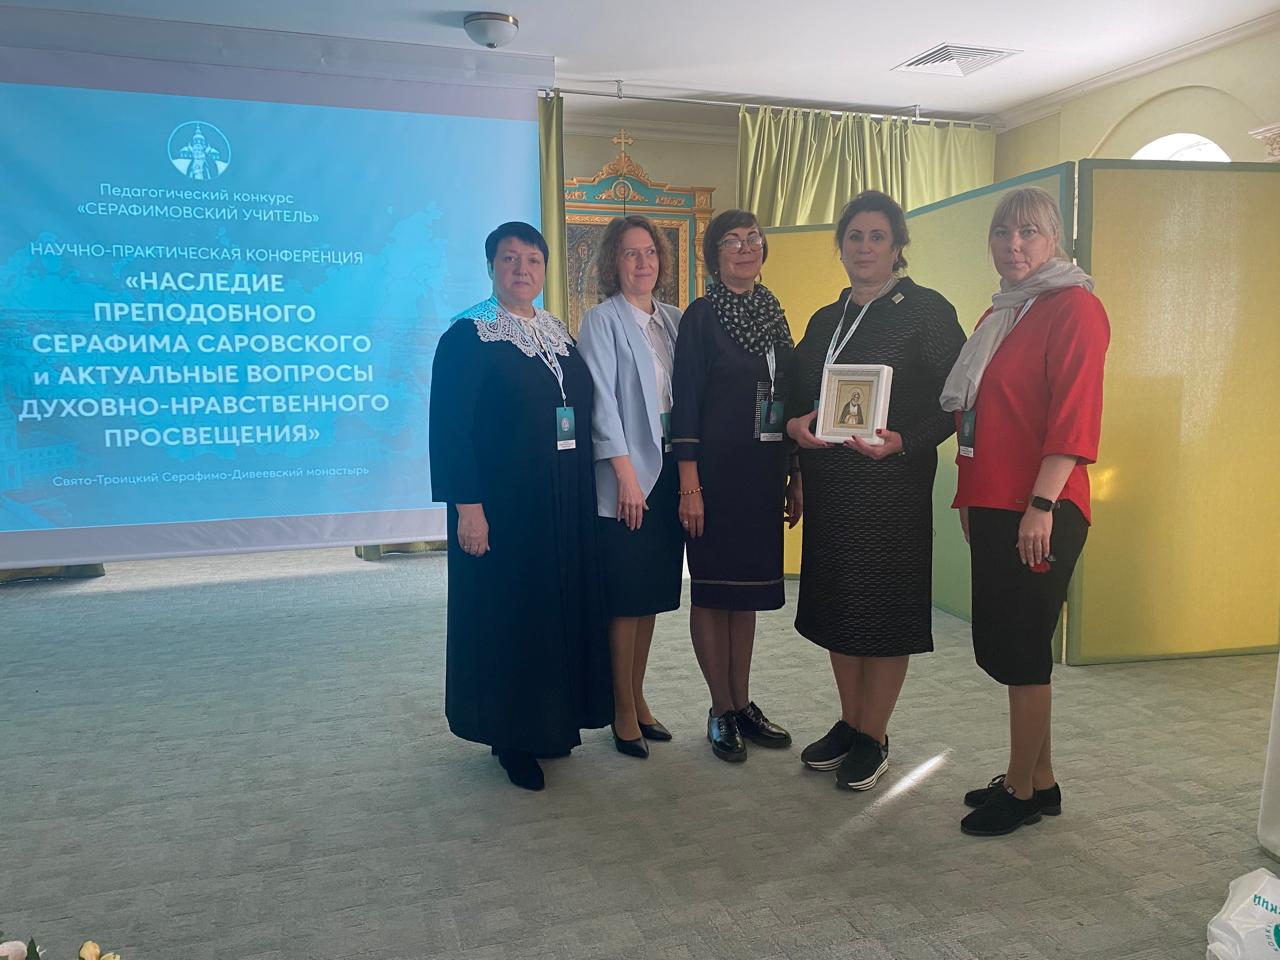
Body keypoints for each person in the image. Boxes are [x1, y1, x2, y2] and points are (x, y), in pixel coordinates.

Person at [940, 186, 1109, 835]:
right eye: (1003, 233)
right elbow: (977, 415)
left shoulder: (1075, 307)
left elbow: (1074, 415)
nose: (1014, 245)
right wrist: (969, 495)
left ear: (1054, 238)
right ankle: (1041, 780)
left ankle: (1019, 789)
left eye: (1029, 232)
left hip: (1041, 506)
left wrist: (1041, 504)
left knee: (1022, 648)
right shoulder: (1002, 312)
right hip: (993, 501)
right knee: (1012, 644)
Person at [785, 190, 966, 791]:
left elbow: (956, 400)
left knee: (884, 609)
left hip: (892, 490)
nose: (864, 248)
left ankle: (875, 734)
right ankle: (849, 721)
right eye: (855, 237)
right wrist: (795, 429)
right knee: (840, 606)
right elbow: (797, 395)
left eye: (877, 237)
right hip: (833, 490)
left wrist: (905, 442)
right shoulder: (825, 319)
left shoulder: (926, 311)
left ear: (897, 246)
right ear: (840, 247)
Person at [428, 221, 612, 792]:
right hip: (504, 508)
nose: (522, 269)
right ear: (491, 267)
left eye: (532, 259)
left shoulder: (556, 331)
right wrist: (468, 507)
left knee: (552, 612)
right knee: (510, 616)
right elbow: (450, 430)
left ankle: (551, 722)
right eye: (509, 259)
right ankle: (510, 735)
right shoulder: (468, 335)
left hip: (563, 502)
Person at [669, 209, 801, 763]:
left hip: (763, 473)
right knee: (713, 590)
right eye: (731, 241)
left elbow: (790, 398)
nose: (745, 249)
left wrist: (795, 474)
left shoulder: (773, 313)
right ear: (713, 256)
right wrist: (689, 484)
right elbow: (685, 401)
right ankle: (719, 708)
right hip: (713, 476)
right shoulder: (701, 317)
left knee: (745, 594)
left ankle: (743, 702)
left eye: (753, 239)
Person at [577, 215, 684, 760]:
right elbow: (599, 402)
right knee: (624, 599)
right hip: (627, 479)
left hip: (668, 474)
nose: (643, 263)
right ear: (613, 263)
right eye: (630, 253)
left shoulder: (673, 321)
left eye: (650, 252)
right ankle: (620, 710)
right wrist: (624, 477)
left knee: (649, 599)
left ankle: (639, 699)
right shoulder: (601, 321)